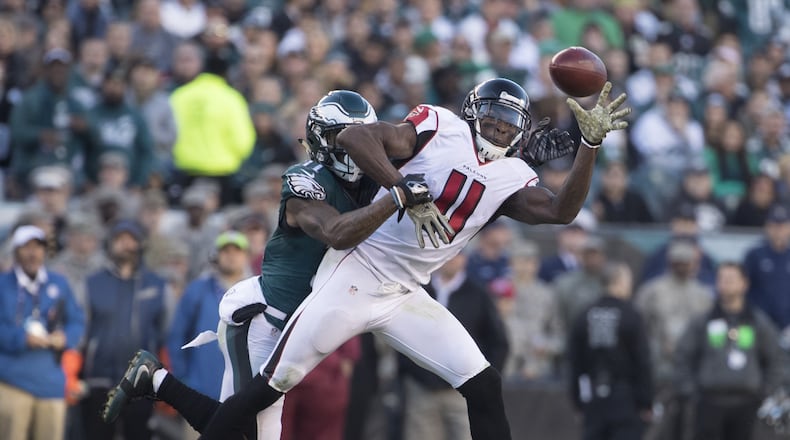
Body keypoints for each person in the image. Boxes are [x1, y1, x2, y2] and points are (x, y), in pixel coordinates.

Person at [196, 78, 629, 440]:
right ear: (473, 110)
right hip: (356, 275)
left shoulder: (514, 174)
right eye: (493, 114)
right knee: (274, 383)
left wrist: (589, 144)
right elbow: (354, 135)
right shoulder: (440, 127)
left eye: (508, 121)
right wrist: (404, 188)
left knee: (483, 383)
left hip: (403, 293)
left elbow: (561, 212)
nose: (498, 126)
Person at [102, 90, 425, 439]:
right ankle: (156, 380)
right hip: (263, 319)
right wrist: (396, 195)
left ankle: (155, 379)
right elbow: (335, 232)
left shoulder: (372, 183)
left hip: (299, 327)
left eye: (361, 138)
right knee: (247, 432)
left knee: (235, 427)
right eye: (341, 139)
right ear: (320, 139)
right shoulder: (307, 180)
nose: (353, 150)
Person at [398, 252, 509, 440]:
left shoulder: (478, 293)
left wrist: (483, 382)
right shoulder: (419, 289)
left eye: (457, 256)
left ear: (465, 259)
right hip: (422, 387)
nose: (451, 260)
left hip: (462, 389)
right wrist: (411, 373)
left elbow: (498, 341)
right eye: (448, 255)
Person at [674, 262, 787, 440]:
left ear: (744, 283)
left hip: (747, 404)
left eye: (730, 280)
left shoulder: (757, 322)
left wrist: (766, 390)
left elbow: (777, 359)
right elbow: (682, 356)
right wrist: (691, 392)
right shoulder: (704, 321)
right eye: (721, 279)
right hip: (709, 403)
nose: (724, 284)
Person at [81, 219, 167, 440]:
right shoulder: (92, 282)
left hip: (141, 382)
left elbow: (166, 332)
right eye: (119, 239)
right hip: (99, 379)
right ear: (110, 244)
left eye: (130, 239)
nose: (125, 244)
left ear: (140, 244)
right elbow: (81, 330)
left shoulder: (157, 284)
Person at [0, 225, 85, 440]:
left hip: (51, 382)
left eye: (37, 247)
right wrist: (22, 338)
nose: (32, 253)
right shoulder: (3, 285)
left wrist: (66, 337)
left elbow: (77, 320)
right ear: (15, 251)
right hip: (11, 381)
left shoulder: (59, 283)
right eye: (26, 247)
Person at [167, 230, 251, 438]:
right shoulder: (197, 290)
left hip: (242, 397)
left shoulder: (256, 292)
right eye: (225, 251)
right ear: (216, 256)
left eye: (237, 251)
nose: (231, 256)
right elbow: (176, 336)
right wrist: (183, 379)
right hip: (200, 393)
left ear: (246, 256)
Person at [568, 262, 653, 440]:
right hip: (625, 399)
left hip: (593, 397)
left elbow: (575, 362)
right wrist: (646, 401)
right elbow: (642, 361)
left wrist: (578, 401)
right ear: (619, 282)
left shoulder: (585, 314)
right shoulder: (631, 314)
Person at [743, 203, 790, 330]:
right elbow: (744, 287)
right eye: (774, 225)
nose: (778, 230)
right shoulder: (755, 255)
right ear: (767, 226)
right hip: (759, 323)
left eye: (782, 225)